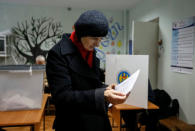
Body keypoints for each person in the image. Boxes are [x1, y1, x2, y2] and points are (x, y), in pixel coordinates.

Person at [46, 10, 128, 131]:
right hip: (72, 123)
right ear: (80, 33)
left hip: (97, 120)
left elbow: (91, 83)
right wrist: (102, 94)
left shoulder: (89, 50)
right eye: (94, 38)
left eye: (100, 39)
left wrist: (107, 88)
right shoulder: (57, 54)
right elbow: (62, 97)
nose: (97, 44)